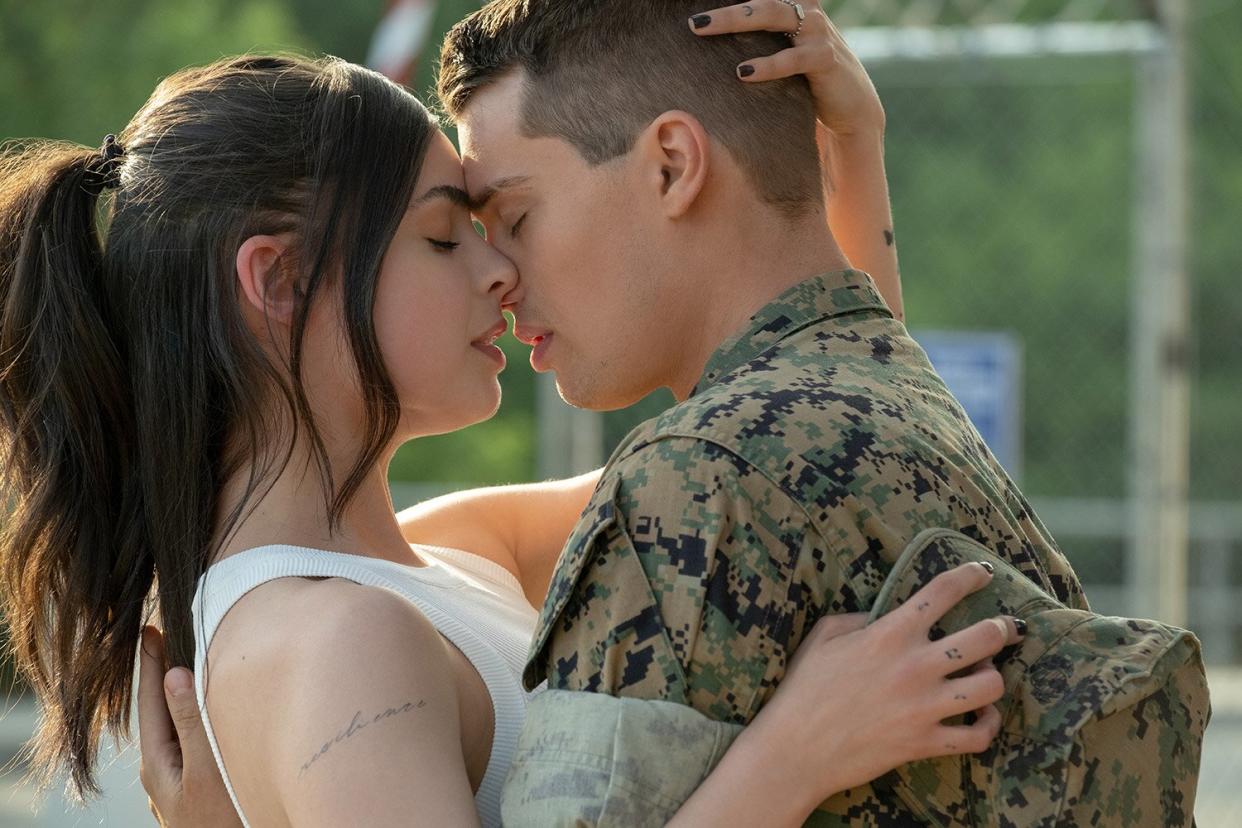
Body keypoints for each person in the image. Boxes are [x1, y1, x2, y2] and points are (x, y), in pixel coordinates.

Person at [0, 15, 1020, 828]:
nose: (501, 270)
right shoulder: (334, 640)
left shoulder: (441, 555)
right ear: (281, 279)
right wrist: (796, 757)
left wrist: (846, 147)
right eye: (447, 238)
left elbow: (791, 442)